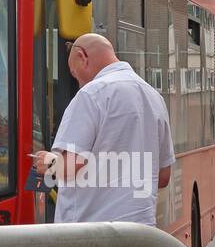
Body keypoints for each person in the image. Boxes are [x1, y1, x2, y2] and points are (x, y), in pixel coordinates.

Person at [31, 33, 173, 225]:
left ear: (82, 56)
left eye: (75, 74)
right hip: (142, 235)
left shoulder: (91, 94)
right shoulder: (154, 97)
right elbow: (163, 176)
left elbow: (71, 165)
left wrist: (46, 163)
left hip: (92, 236)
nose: (78, 82)